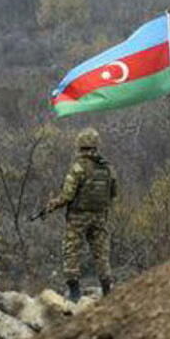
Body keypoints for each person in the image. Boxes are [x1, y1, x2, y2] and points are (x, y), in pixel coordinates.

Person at [44, 127, 117, 302]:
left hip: (78, 217)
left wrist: (53, 205)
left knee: (72, 250)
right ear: (96, 145)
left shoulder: (78, 168)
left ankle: (75, 292)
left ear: (80, 145)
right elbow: (113, 194)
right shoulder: (107, 168)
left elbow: (67, 195)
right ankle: (107, 289)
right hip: (100, 217)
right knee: (101, 253)